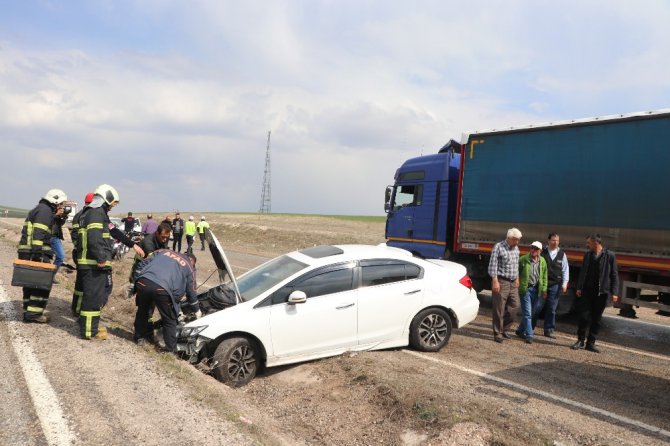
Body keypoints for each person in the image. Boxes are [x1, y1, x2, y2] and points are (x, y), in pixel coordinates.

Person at [132, 249, 201, 352]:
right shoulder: (189, 266)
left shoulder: (163, 251)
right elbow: (191, 291)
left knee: (143, 311)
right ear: (192, 261)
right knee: (169, 320)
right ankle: (170, 350)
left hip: (143, 282)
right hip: (162, 289)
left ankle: (139, 337)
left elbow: (142, 264)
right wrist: (196, 310)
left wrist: (134, 282)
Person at [75, 184, 119, 340]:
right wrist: (101, 258)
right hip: (93, 263)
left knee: (91, 296)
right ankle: (89, 331)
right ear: (106, 198)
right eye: (112, 203)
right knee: (93, 298)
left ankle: (89, 327)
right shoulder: (96, 213)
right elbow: (94, 237)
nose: (112, 207)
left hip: (89, 262)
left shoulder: (92, 212)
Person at [17, 189, 68, 322]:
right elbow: (38, 233)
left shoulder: (41, 209)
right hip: (35, 252)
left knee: (30, 283)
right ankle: (34, 315)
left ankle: (28, 312)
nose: (61, 206)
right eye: (61, 203)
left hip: (28, 251)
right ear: (55, 200)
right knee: (41, 284)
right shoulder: (44, 211)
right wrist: (37, 255)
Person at [571, 234, 619, 353]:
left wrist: (615, 292)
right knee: (583, 316)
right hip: (587, 291)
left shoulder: (610, 256)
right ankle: (580, 340)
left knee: (596, 319)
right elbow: (583, 272)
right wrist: (579, 287)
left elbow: (614, 275)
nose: (587, 245)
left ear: (596, 243)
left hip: (601, 293)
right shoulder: (588, 255)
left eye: (589, 243)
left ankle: (591, 343)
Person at [488, 227, 522, 343]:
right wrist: (495, 280)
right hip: (502, 281)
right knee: (499, 308)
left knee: (515, 305)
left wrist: (517, 278)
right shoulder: (499, 247)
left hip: (513, 282)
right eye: (515, 239)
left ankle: (505, 329)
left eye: (518, 240)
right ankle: (497, 333)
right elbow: (493, 265)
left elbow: (516, 264)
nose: (517, 242)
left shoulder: (516, 248)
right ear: (508, 238)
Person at [535, 233, 569, 338]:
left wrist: (565, 283)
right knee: (537, 307)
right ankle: (529, 327)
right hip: (542, 284)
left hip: (555, 285)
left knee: (552, 308)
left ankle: (548, 330)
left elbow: (565, 270)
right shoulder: (542, 252)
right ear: (548, 241)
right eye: (553, 240)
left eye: (557, 241)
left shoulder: (562, 254)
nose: (555, 242)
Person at [515, 241, 547, 344]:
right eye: (532, 248)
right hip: (526, 289)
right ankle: (529, 335)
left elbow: (545, 276)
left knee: (532, 312)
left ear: (540, 251)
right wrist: (517, 280)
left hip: (537, 290)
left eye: (536, 249)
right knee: (528, 313)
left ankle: (520, 330)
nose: (533, 250)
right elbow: (516, 271)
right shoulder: (523, 259)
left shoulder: (542, 261)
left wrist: (544, 289)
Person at [50, 202, 69, 284]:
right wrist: (57, 214)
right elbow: (49, 221)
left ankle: (50, 276)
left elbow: (60, 223)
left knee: (60, 257)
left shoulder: (57, 213)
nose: (62, 207)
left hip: (56, 237)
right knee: (60, 256)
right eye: (61, 205)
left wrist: (63, 216)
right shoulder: (50, 211)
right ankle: (50, 276)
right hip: (52, 236)